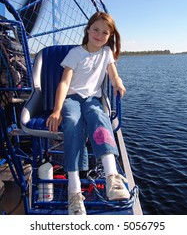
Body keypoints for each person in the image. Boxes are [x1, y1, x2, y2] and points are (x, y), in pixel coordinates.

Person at [46, 11, 129, 215]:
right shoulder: (76, 53)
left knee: (97, 115)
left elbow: (113, 75)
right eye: (96, 30)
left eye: (105, 32)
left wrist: (118, 83)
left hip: (92, 98)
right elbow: (65, 82)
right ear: (88, 29)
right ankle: (73, 191)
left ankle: (112, 176)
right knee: (73, 122)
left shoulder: (106, 53)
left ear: (110, 36)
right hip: (73, 98)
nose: (99, 35)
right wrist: (57, 110)